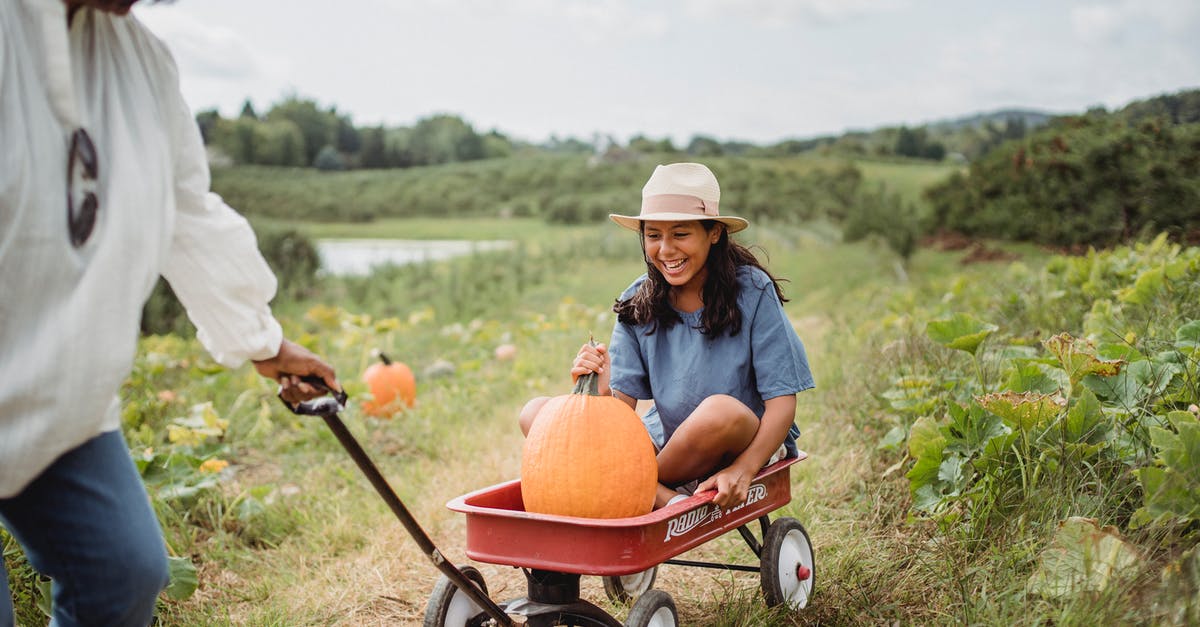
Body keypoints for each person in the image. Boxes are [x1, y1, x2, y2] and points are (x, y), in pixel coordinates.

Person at [0, 1, 341, 625]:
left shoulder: (142, 61)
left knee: (123, 569)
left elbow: (189, 211)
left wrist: (263, 340)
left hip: (63, 400)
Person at [519, 162, 814, 510]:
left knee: (718, 411)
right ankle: (659, 496)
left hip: (745, 441)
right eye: (653, 235)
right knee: (536, 412)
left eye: (681, 234)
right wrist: (597, 392)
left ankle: (631, 490)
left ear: (714, 232)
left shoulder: (752, 291)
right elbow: (619, 417)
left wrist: (743, 469)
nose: (666, 249)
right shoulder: (636, 302)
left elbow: (782, 404)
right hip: (670, 445)